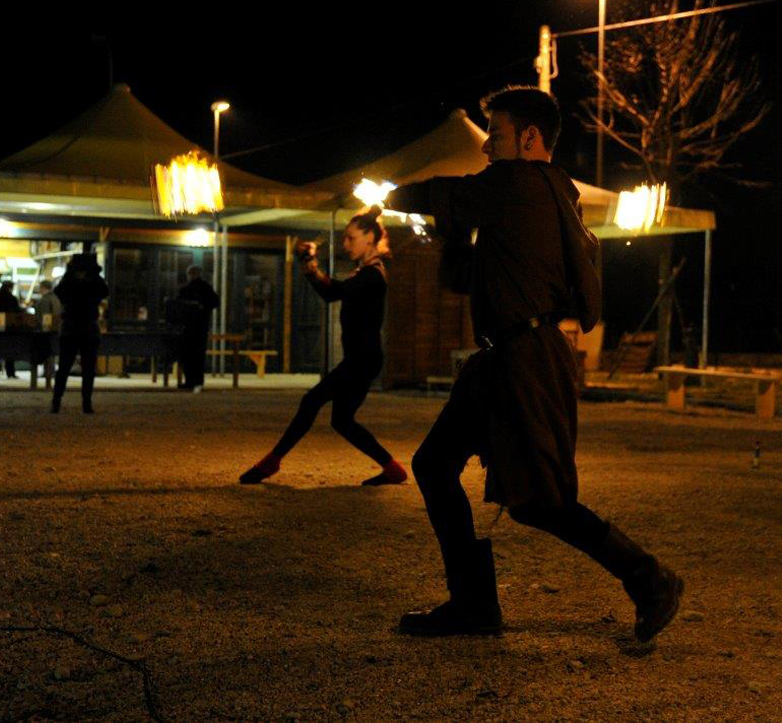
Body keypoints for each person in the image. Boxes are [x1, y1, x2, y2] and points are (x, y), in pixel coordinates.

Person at [386, 86, 681, 641]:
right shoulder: (550, 192)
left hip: (525, 359)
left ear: (529, 138)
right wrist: (455, 236)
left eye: (495, 135)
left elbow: (435, 194)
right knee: (435, 464)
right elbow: (465, 275)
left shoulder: (519, 183)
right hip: (504, 356)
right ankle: (473, 604)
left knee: (541, 501)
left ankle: (648, 578)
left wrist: (387, 190)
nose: (486, 148)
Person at [239, 206, 408, 487]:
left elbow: (335, 291)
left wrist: (312, 267)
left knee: (311, 401)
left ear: (370, 238)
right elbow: (332, 293)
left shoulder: (372, 274)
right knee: (342, 421)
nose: (346, 244)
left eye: (351, 238)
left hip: (362, 359)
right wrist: (310, 267)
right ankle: (393, 469)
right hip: (362, 358)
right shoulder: (365, 272)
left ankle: (272, 461)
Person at [50, 252, 109, 414]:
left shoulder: (69, 280)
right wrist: (94, 274)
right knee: (88, 369)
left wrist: (71, 274)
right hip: (89, 327)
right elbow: (105, 291)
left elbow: (59, 291)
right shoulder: (94, 280)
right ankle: (86, 403)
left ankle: (56, 401)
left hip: (70, 327)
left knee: (64, 367)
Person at [175, 264, 219, 392]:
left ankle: (189, 381)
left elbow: (178, 305)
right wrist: (203, 307)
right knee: (198, 356)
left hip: (188, 328)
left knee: (187, 355)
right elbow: (215, 302)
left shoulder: (185, 289)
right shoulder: (206, 288)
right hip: (201, 327)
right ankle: (197, 381)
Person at [0, 280, 21, 379]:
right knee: (10, 351)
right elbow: (16, 313)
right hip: (10, 327)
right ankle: (10, 372)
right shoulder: (12, 299)